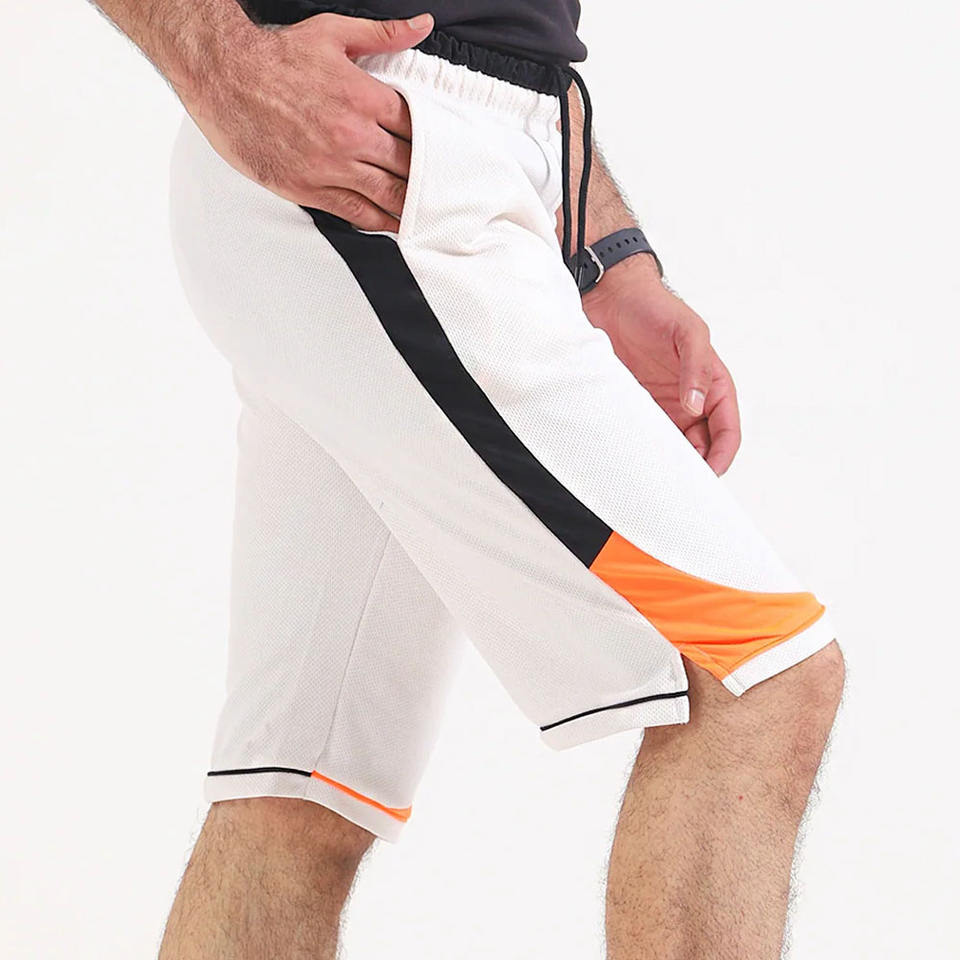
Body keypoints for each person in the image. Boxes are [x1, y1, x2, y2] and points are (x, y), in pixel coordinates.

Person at [93, 1, 844, 956]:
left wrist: (608, 257)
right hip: (368, 161)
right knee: (757, 668)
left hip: (436, 164)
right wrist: (218, 54)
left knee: (302, 797)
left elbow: (516, 29)